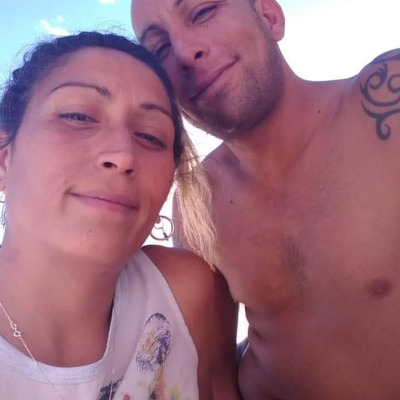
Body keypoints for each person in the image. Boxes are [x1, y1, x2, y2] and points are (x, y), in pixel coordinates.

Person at [131, 0, 400, 399]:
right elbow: (214, 370)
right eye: (160, 48)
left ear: (269, 17)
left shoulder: (385, 100)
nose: (184, 52)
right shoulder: (197, 201)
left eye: (203, 12)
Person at [0, 31, 240, 400]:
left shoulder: (188, 294)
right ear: (4, 158)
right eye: (78, 116)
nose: (124, 155)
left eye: (150, 136)